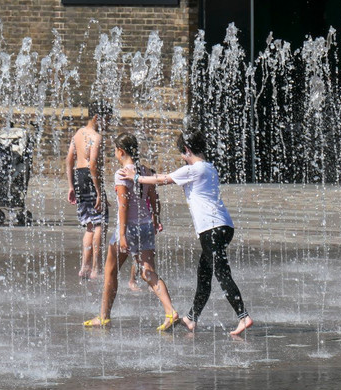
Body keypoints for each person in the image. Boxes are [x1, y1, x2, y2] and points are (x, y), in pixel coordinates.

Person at [120, 128, 253, 336]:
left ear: (188, 150)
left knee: (221, 273)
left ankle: (243, 316)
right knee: (204, 273)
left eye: (182, 153)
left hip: (211, 229)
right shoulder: (209, 167)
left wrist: (136, 177)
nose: (182, 157)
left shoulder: (194, 169)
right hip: (224, 226)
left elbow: (163, 179)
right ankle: (191, 318)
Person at [83, 133, 179, 331]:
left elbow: (123, 206)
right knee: (148, 272)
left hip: (128, 228)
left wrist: (123, 234)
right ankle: (170, 311)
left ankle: (103, 317)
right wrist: (156, 219)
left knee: (110, 272)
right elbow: (154, 198)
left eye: (115, 151)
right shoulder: (145, 171)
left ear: (121, 151)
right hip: (145, 227)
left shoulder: (122, 174)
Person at [66, 100, 112, 280]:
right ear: (96, 117)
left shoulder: (77, 134)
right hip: (90, 177)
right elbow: (93, 164)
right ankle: (96, 268)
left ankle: (84, 267)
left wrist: (71, 186)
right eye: (106, 120)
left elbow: (69, 160)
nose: (107, 124)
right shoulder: (96, 137)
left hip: (78, 177)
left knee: (89, 225)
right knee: (100, 223)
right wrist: (100, 193)